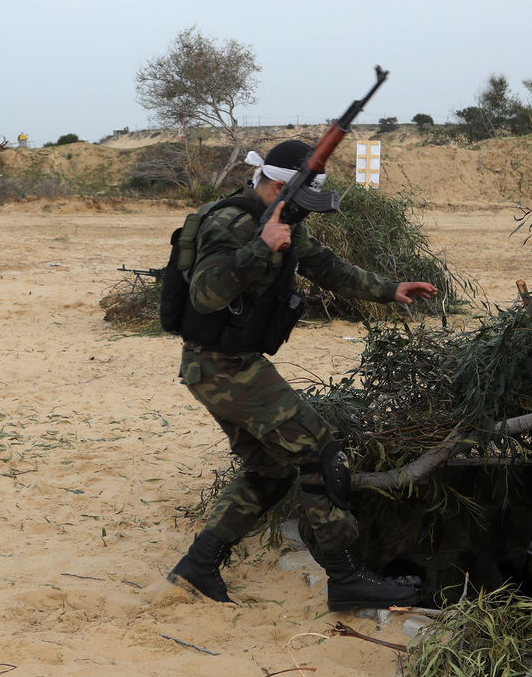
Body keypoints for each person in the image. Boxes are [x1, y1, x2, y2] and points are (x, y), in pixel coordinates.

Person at [166, 140, 439, 610]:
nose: (301, 214)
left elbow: (326, 267)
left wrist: (389, 289)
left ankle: (198, 565)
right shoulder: (233, 223)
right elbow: (206, 295)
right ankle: (348, 578)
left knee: (270, 469)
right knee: (320, 454)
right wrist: (259, 248)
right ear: (273, 185)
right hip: (222, 366)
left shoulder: (281, 216)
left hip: (227, 363)